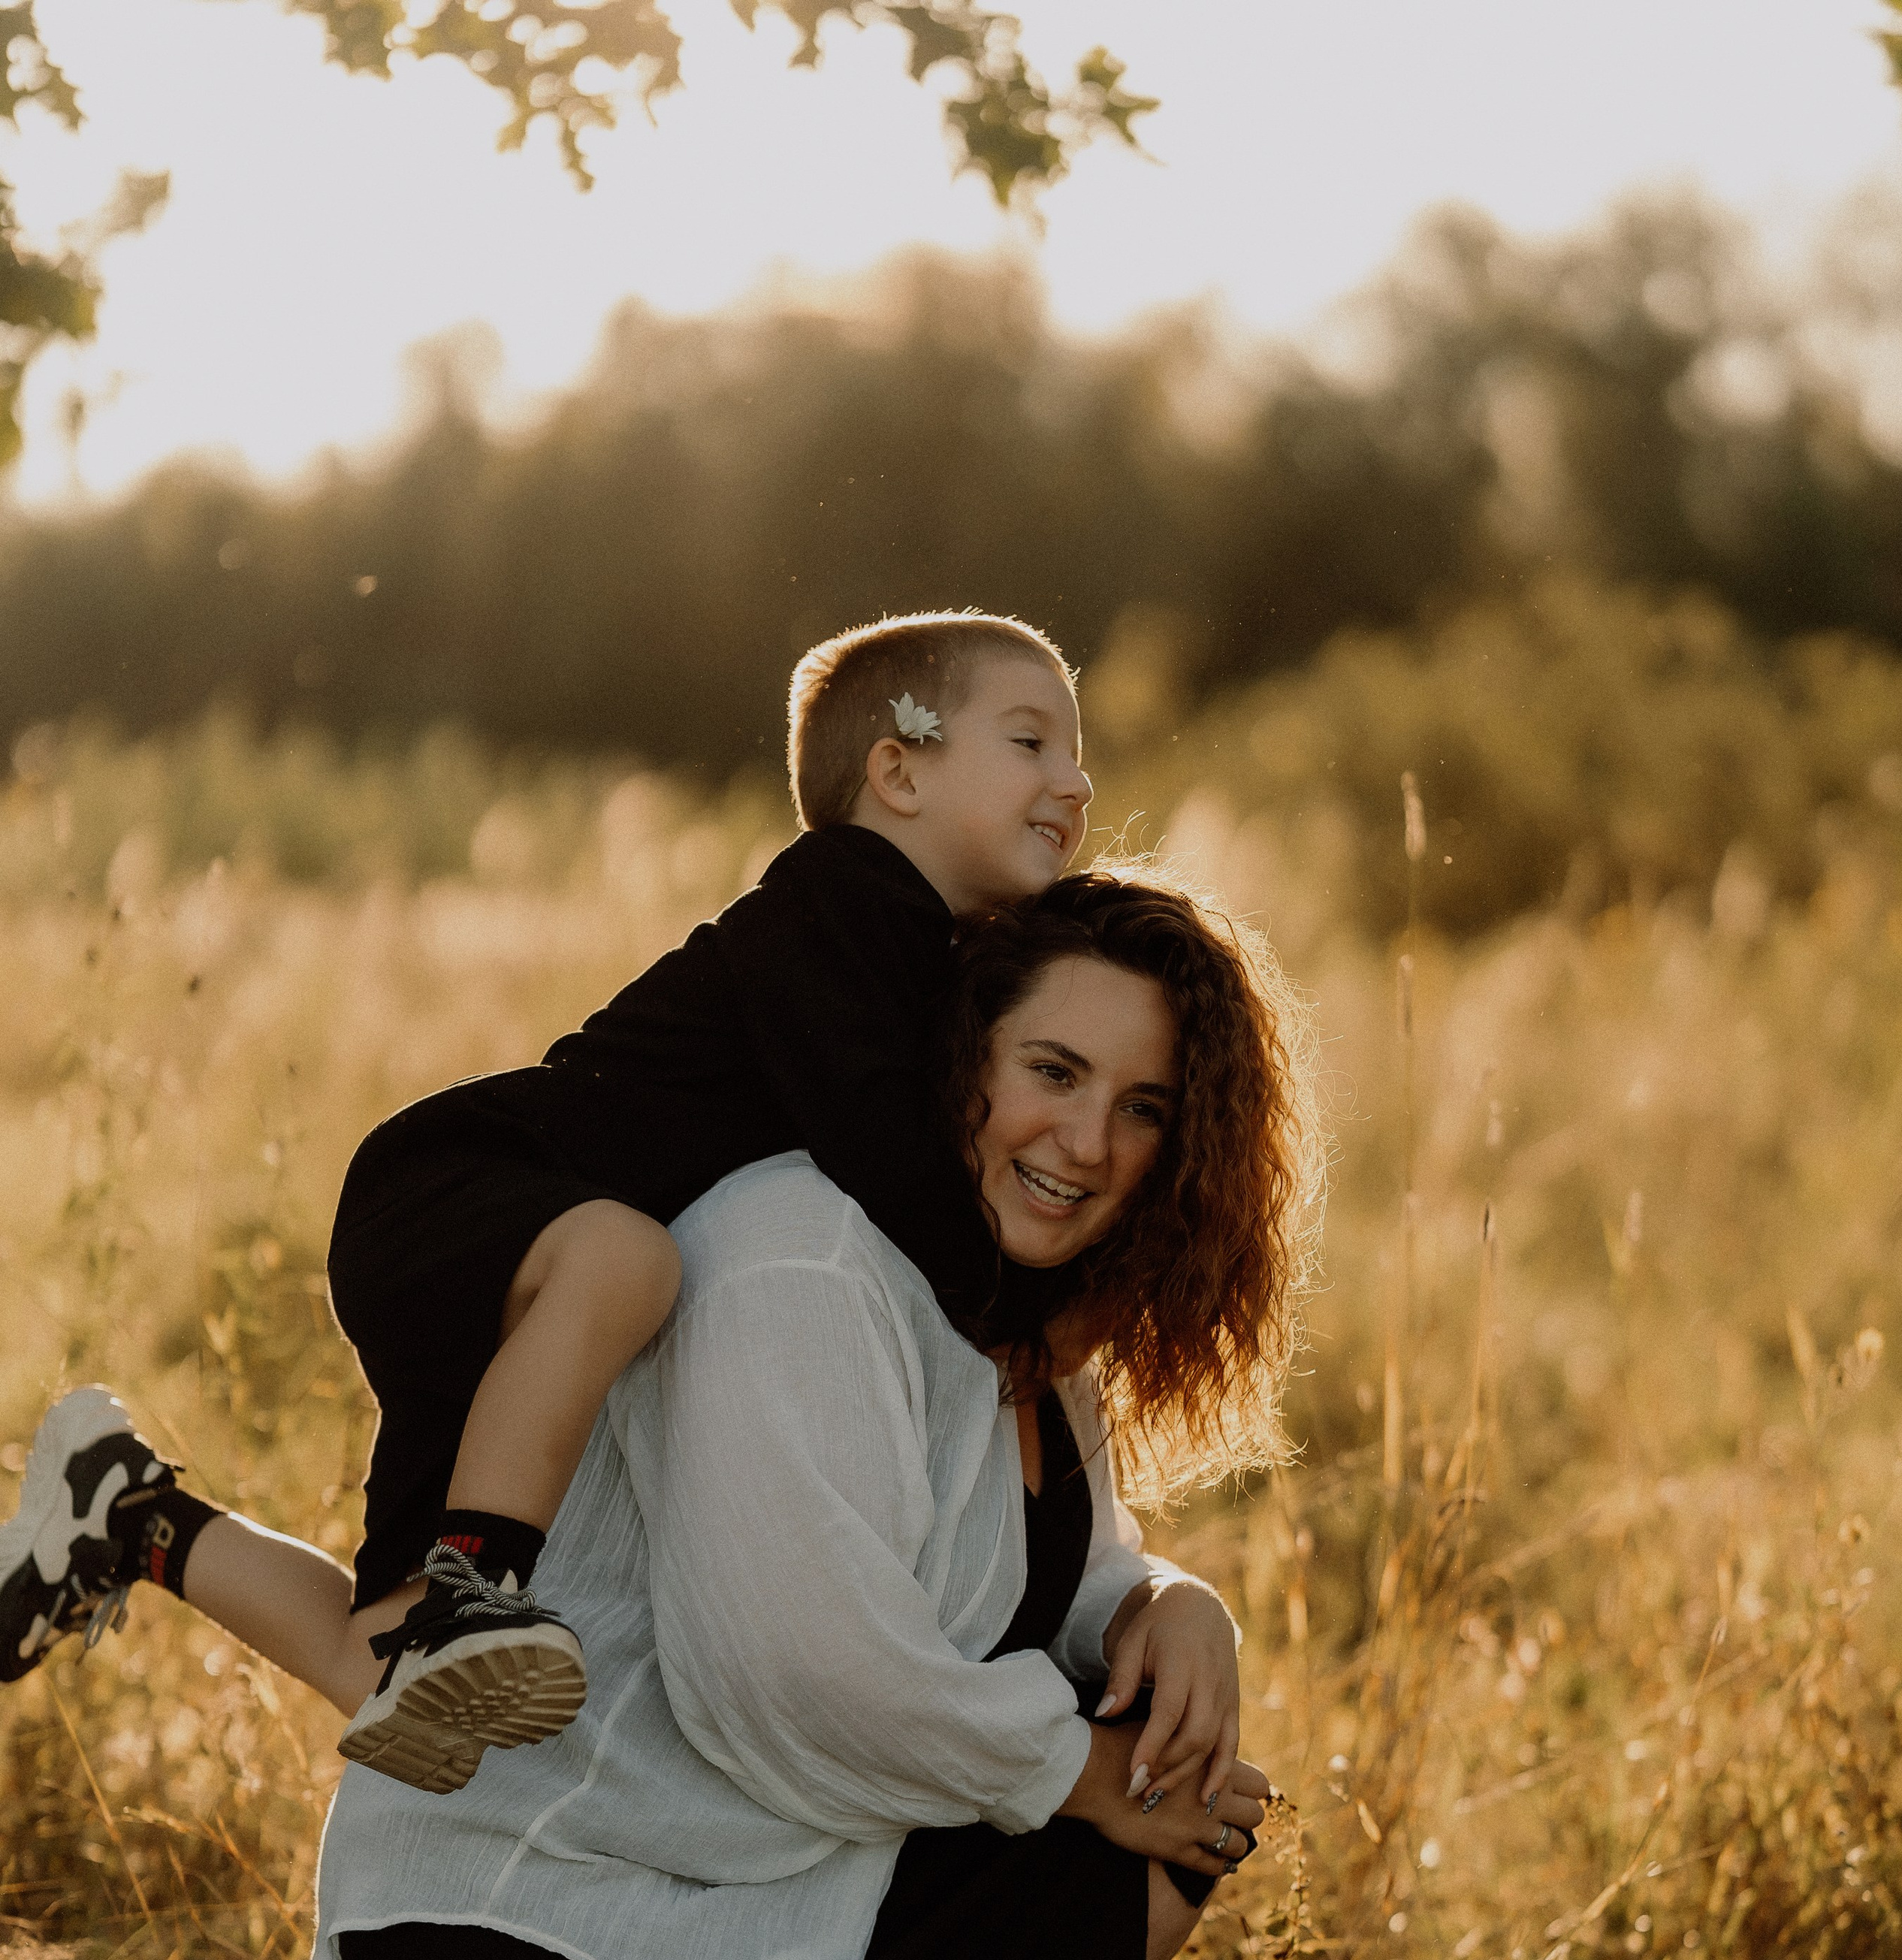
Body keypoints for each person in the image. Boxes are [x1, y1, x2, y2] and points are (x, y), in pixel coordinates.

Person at [261, 866, 1321, 1960]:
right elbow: (792, 1674)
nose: (1086, 1143)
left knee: (1182, 1803)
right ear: (959, 1057)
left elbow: (1051, 1586)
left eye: (1144, 1107)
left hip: (763, 1890)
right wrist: (1078, 1776)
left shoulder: (1016, 1316)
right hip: (532, 1926)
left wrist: (1173, 1602)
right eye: (1053, 1072)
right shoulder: (804, 1253)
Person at [0, 609, 1099, 1796]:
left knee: (379, 1661)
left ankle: (126, 1512)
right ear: (898, 769)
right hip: (469, 1184)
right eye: (1033, 742)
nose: (1075, 780)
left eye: (1079, 755)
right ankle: (476, 1594)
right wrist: (1033, 1300)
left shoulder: (929, 958)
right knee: (631, 1261)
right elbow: (889, 1156)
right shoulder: (843, 901)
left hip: (526, 1277)